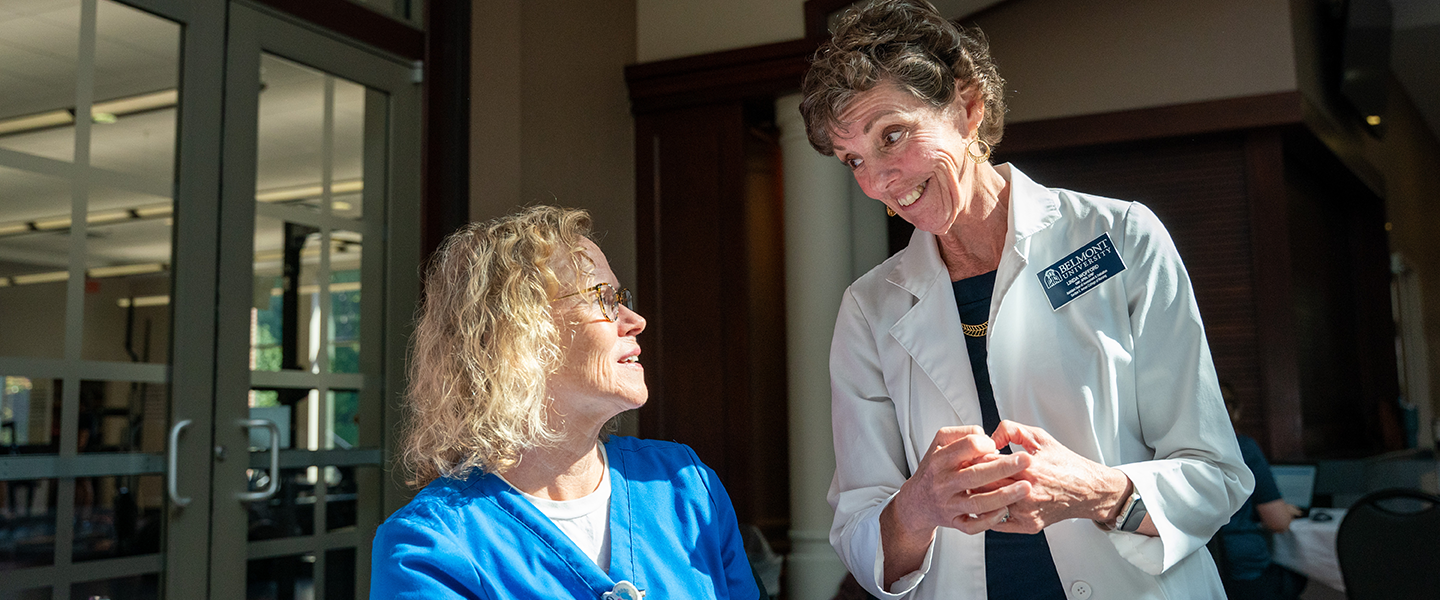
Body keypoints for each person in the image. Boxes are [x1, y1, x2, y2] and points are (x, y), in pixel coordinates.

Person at [800, 1, 1255, 598]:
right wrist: (917, 505)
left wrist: (1092, 491)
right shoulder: (869, 308)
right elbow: (862, 539)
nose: (877, 179)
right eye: (853, 159)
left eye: (893, 135)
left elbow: (1215, 475)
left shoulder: (1117, 238)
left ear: (967, 108)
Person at [370, 206, 760, 600]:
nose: (635, 319)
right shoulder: (430, 548)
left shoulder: (684, 486)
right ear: (519, 334)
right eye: (605, 299)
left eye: (622, 297)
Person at [1216, 385, 1307, 600]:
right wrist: (1284, 511)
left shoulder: (1175, 456)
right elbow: (1278, 522)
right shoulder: (1243, 449)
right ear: (1235, 412)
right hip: (1244, 572)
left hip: (1200, 570)